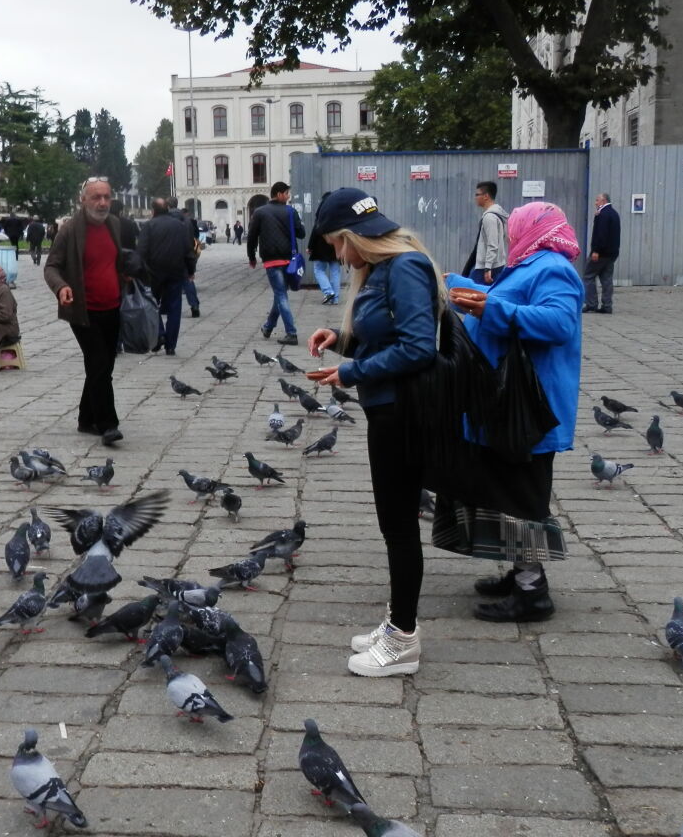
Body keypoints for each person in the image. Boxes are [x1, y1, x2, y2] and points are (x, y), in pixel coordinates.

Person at [304, 188, 440, 677]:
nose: (338, 256)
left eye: (336, 245)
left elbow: (419, 347)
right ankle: (398, 624)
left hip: (403, 411)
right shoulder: (385, 271)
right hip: (388, 407)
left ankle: (403, 641)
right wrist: (340, 340)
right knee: (395, 525)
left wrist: (351, 373)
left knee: (400, 527)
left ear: (352, 236)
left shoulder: (403, 267)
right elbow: (385, 335)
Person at [447, 200, 583, 623]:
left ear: (530, 229)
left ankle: (532, 592)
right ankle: (521, 572)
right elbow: (512, 304)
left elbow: (559, 322)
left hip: (528, 407)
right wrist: (465, 290)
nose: (509, 235)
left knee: (523, 495)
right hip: (509, 402)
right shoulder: (531, 264)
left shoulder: (553, 268)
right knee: (507, 490)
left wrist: (490, 307)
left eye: (514, 228)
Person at [44, 177, 137, 445]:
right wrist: (61, 287)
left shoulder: (114, 225)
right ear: (83, 200)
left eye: (107, 197)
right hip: (84, 311)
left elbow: (116, 260)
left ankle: (86, 418)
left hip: (113, 306)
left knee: (104, 366)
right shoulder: (70, 230)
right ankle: (108, 425)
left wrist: (127, 272)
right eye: (96, 197)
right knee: (97, 363)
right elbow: (51, 266)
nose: (102, 203)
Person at [137, 197, 197, 356]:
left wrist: (139, 271)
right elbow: (188, 250)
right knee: (174, 308)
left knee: (151, 305)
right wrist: (190, 271)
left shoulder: (148, 226)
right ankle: (171, 345)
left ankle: (159, 334)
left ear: (153, 211)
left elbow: (141, 251)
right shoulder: (180, 226)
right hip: (176, 272)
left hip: (153, 273)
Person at [247, 181, 305, 344]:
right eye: (287, 193)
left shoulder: (259, 212)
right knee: (280, 295)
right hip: (288, 259)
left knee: (280, 295)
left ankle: (291, 333)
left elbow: (252, 237)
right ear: (278, 194)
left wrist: (251, 257)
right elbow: (302, 233)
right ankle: (269, 326)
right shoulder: (290, 211)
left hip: (271, 260)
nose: (288, 197)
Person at [584, 192, 621, 314]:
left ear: (603, 201)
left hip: (601, 253)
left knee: (588, 276)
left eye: (597, 200)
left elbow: (601, 234)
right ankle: (607, 305)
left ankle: (591, 304)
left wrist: (596, 251)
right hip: (611, 253)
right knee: (606, 279)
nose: (595, 203)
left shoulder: (603, 214)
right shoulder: (614, 214)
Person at [469, 181, 509, 285]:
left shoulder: (490, 217)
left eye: (477, 194)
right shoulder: (497, 214)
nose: (475, 197)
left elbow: (492, 244)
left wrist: (487, 268)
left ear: (486, 196)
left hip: (487, 268)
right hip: (495, 265)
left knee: (469, 293)